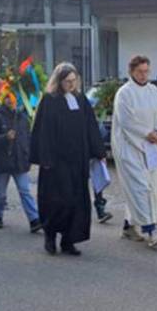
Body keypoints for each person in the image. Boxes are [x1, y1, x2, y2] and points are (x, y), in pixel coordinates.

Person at [30, 63, 106, 256]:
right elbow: (42, 131)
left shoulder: (80, 100)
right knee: (56, 202)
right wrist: (45, 158)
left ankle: (68, 240)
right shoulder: (49, 100)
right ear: (59, 81)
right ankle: (50, 237)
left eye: (74, 81)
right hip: (56, 163)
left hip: (77, 161)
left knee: (75, 202)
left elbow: (90, 126)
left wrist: (99, 152)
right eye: (67, 81)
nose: (71, 85)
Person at [111, 56, 157, 247]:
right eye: (140, 71)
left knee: (149, 187)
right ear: (131, 72)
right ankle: (151, 231)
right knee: (140, 187)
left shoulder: (154, 91)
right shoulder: (124, 93)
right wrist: (147, 133)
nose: (144, 75)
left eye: (146, 71)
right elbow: (126, 121)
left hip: (151, 148)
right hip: (129, 148)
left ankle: (129, 226)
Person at [0, 86, 42, 233]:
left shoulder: (22, 117)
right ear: (2, 99)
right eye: (7, 97)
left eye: (12, 97)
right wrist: (5, 138)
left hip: (19, 161)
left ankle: (34, 219)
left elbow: (28, 138)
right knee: (0, 193)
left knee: (25, 191)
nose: (10, 100)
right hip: (3, 162)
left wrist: (28, 156)